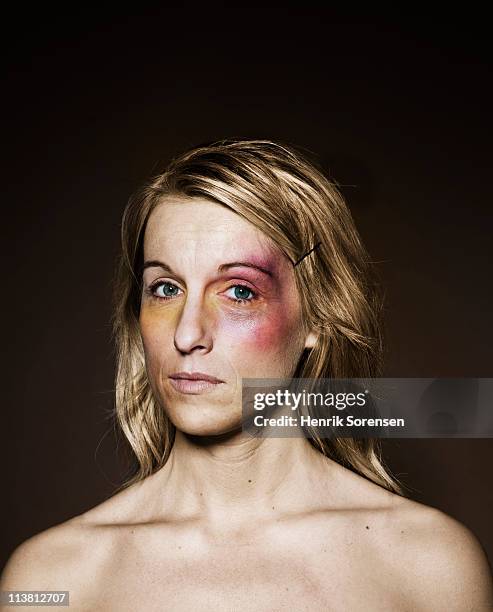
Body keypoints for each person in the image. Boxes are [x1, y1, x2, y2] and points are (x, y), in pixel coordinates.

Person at [1, 139, 492, 611]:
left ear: (318, 319)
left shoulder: (431, 567)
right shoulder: (51, 581)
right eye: (166, 288)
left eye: (239, 291)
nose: (187, 333)